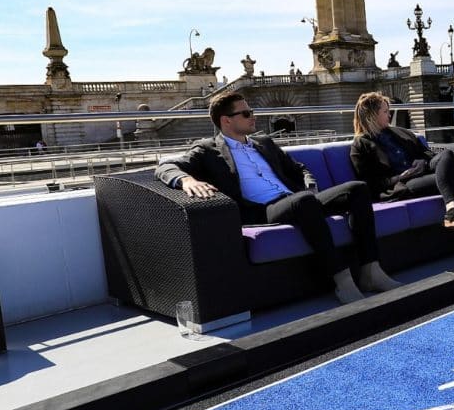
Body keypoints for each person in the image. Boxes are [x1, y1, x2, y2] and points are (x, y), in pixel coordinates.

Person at [154, 92, 399, 304]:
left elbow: (298, 168)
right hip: (263, 210)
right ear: (226, 120)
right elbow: (165, 167)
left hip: (297, 199)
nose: (253, 117)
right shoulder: (207, 149)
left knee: (357, 189)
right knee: (304, 202)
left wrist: (309, 183)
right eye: (246, 113)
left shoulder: (264, 142)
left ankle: (370, 270)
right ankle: (342, 280)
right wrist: (187, 180)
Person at [350, 92, 454, 257]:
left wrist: (421, 162)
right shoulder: (360, 146)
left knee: (446, 155)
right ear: (372, 115)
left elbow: (428, 154)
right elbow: (371, 184)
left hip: (422, 172)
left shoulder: (400, 133)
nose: (390, 114)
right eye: (385, 111)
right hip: (401, 184)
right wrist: (401, 177)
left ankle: (452, 212)